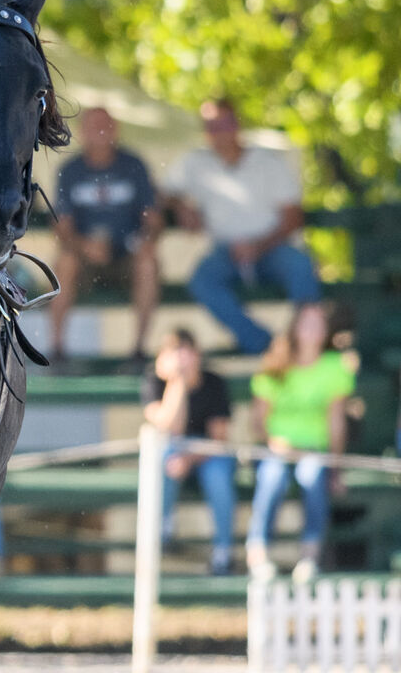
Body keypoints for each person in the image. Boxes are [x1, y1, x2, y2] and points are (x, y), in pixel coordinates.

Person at [168, 98, 319, 354]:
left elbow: (293, 217)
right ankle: (265, 345)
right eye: (212, 126)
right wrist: (180, 207)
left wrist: (259, 246)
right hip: (226, 251)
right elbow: (162, 192)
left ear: (236, 125)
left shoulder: (267, 162)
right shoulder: (195, 164)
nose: (219, 132)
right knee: (202, 280)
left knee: (301, 266)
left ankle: (306, 343)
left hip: (272, 247)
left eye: (224, 124)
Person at [245, 302, 355, 583]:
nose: (312, 329)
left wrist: (336, 469)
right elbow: (257, 423)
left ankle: (309, 555)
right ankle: (258, 553)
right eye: (306, 322)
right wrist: (273, 442)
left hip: (314, 452)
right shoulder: (274, 364)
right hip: (276, 452)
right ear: (294, 327)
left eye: (318, 323)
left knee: (312, 475)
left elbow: (336, 424)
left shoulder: (334, 368)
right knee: (271, 477)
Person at [48, 107, 161, 362]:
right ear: (82, 133)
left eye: (106, 125)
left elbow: (152, 219)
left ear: (116, 129)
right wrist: (84, 246)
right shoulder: (70, 170)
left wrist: (146, 240)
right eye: (94, 126)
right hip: (84, 259)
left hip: (126, 255)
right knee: (63, 263)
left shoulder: (134, 165)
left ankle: (139, 350)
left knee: (148, 260)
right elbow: (62, 228)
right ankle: (56, 350)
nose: (101, 131)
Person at [141, 328, 236, 575]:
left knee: (219, 474)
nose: (182, 359)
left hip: (207, 454)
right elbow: (167, 427)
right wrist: (177, 383)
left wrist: (189, 457)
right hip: (173, 451)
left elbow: (219, 439)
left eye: (187, 351)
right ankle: (164, 530)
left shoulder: (214, 383)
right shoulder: (154, 382)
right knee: (165, 456)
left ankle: (223, 552)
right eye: (175, 352)